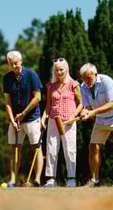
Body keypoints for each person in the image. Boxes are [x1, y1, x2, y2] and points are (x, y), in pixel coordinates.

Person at [79, 63, 113, 187]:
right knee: (93, 146)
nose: (87, 81)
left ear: (95, 75)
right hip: (101, 119)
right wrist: (84, 112)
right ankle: (94, 180)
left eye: (89, 78)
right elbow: (86, 106)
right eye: (84, 78)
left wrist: (93, 112)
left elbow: (112, 104)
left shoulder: (107, 81)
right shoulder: (83, 87)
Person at [3, 50, 43, 187]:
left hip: (32, 118)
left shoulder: (32, 75)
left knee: (36, 148)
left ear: (21, 61)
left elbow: (38, 97)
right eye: (11, 64)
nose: (15, 66)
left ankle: (37, 179)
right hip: (15, 120)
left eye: (16, 63)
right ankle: (13, 179)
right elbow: (7, 102)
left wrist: (24, 113)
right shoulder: (7, 78)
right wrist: (13, 120)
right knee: (15, 148)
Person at [43, 58, 83, 187]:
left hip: (69, 121)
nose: (59, 72)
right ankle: (51, 179)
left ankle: (71, 178)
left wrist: (73, 115)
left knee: (69, 149)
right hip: (54, 120)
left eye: (61, 70)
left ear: (67, 70)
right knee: (51, 149)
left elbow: (82, 103)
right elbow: (48, 104)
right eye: (56, 70)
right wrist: (44, 117)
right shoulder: (50, 85)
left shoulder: (74, 84)